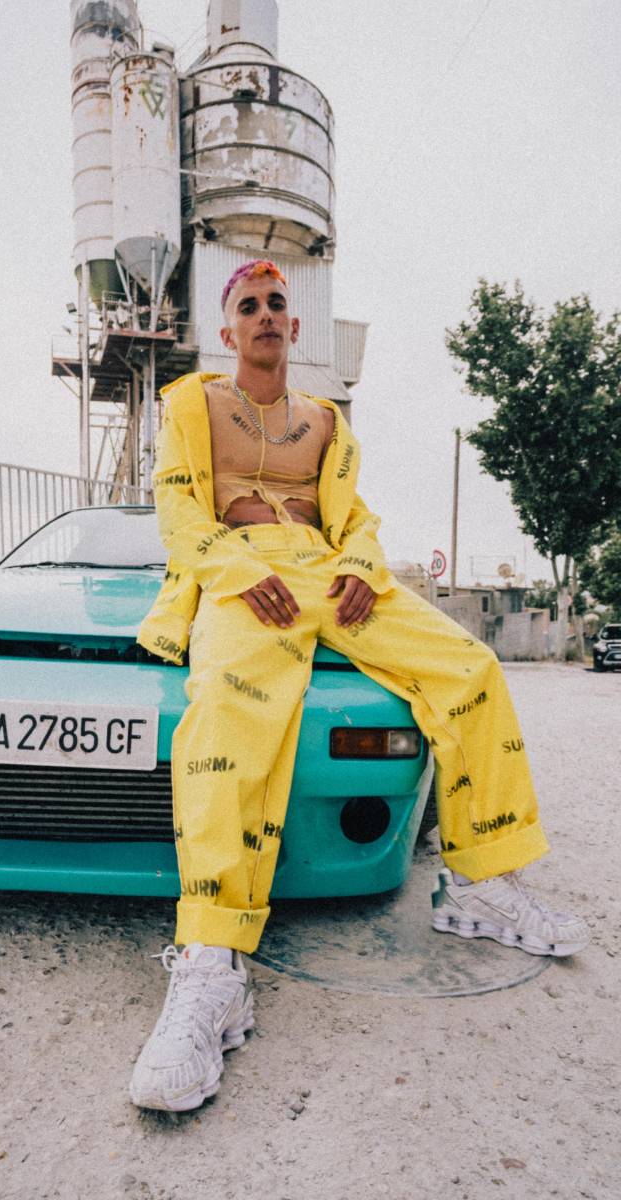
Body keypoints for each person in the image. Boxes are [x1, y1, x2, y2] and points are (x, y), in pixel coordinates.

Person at [129, 260, 589, 1113]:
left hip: (329, 570)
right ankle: (212, 962)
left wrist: (361, 567)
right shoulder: (192, 404)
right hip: (244, 576)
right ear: (227, 330)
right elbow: (181, 513)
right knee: (224, 713)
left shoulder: (325, 422)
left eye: (277, 304)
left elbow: (357, 519)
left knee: (472, 667)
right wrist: (236, 571)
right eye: (248, 306)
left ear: (295, 326)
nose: (266, 315)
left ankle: (480, 881)